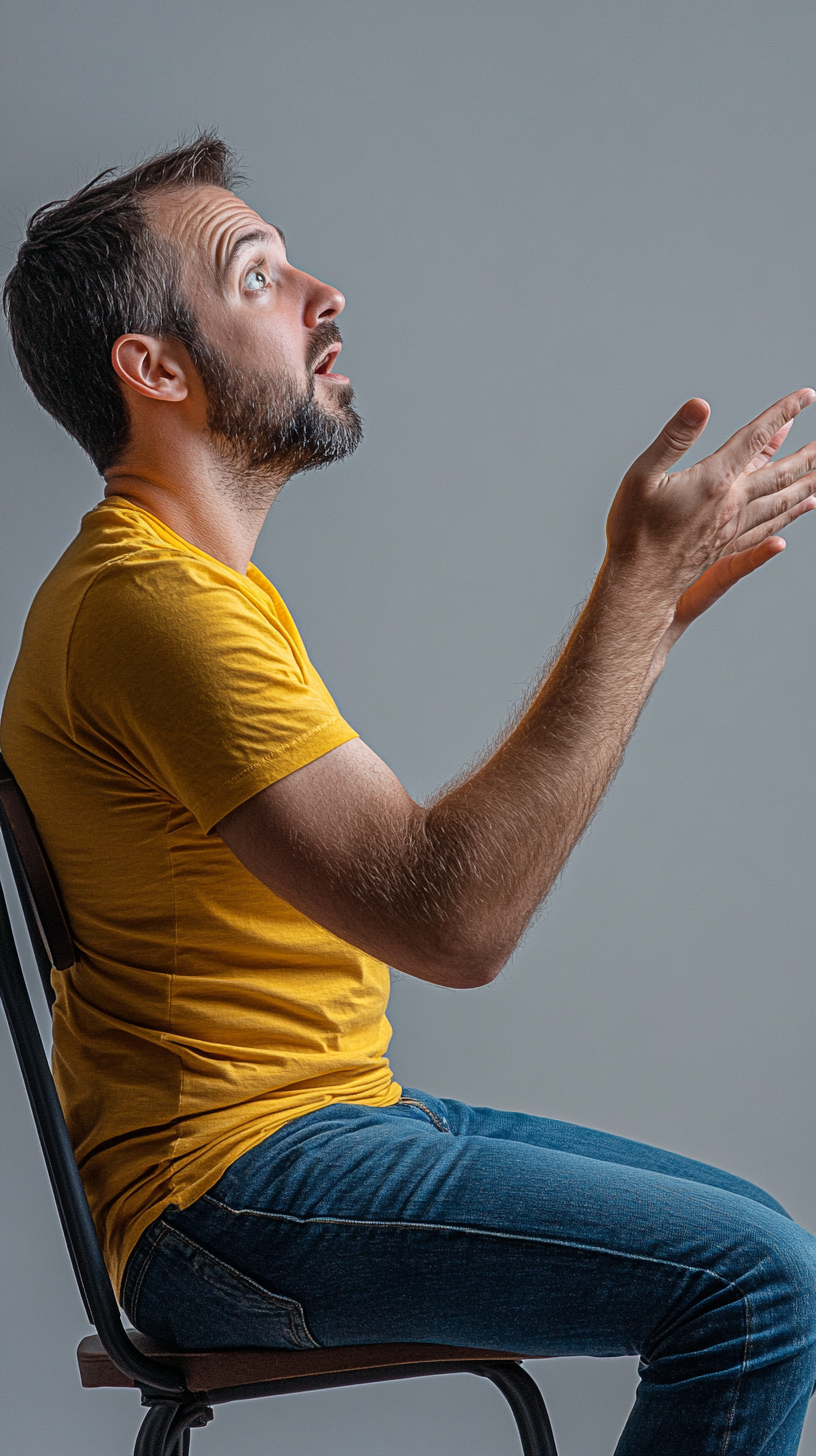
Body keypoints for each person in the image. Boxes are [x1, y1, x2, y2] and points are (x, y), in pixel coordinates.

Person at [3, 132, 816, 1455]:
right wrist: (628, 594)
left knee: (773, 1246)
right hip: (227, 1192)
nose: (325, 293)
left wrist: (648, 612)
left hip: (329, 1125)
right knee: (755, 1282)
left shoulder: (196, 594)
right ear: (153, 369)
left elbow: (430, 887)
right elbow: (455, 921)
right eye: (259, 276)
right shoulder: (153, 611)